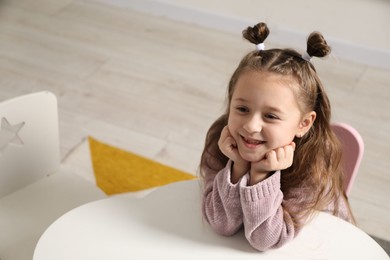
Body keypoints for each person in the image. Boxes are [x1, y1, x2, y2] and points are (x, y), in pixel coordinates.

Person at [200, 22, 355, 251]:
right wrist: (239, 166)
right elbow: (222, 225)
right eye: (242, 109)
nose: (251, 126)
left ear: (303, 124)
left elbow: (266, 240)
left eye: (271, 116)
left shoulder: (312, 163)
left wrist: (260, 174)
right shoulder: (221, 141)